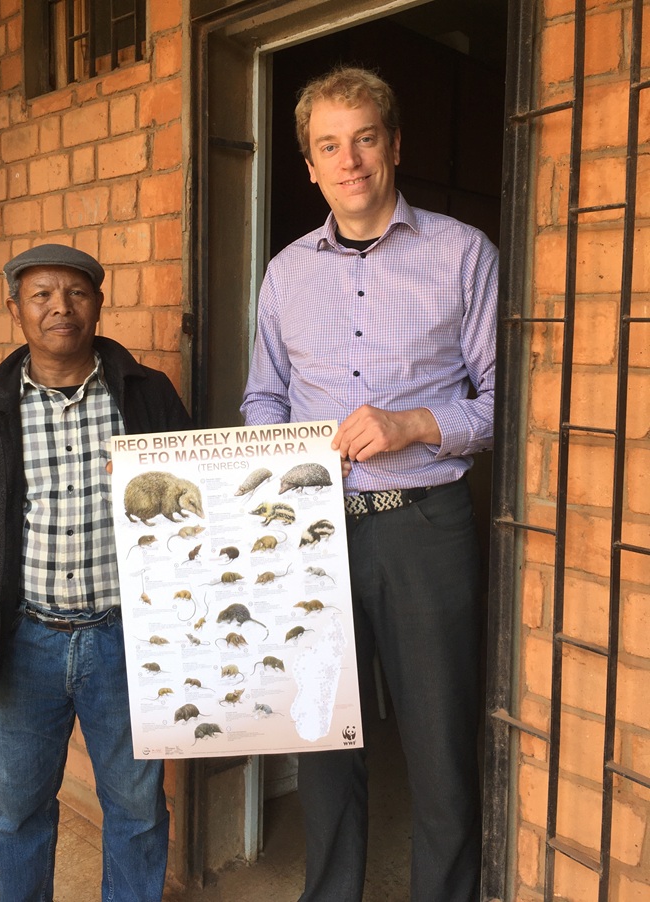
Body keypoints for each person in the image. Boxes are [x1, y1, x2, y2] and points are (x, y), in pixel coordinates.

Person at [241, 67, 498, 901]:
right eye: (327, 145)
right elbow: (264, 395)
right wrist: (266, 456)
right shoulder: (285, 274)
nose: (348, 159)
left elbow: (505, 403)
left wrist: (413, 423)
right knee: (322, 736)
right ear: (309, 166)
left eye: (364, 138)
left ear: (394, 146)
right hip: (314, 531)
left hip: (426, 526)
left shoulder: (464, 254)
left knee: (440, 742)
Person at [0, 244, 191, 902]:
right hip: (23, 645)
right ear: (15, 308)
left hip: (127, 641)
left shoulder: (147, 396)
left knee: (135, 808)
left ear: (99, 304)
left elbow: (194, 505)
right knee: (15, 811)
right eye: (41, 294)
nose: (59, 307)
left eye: (76, 292)